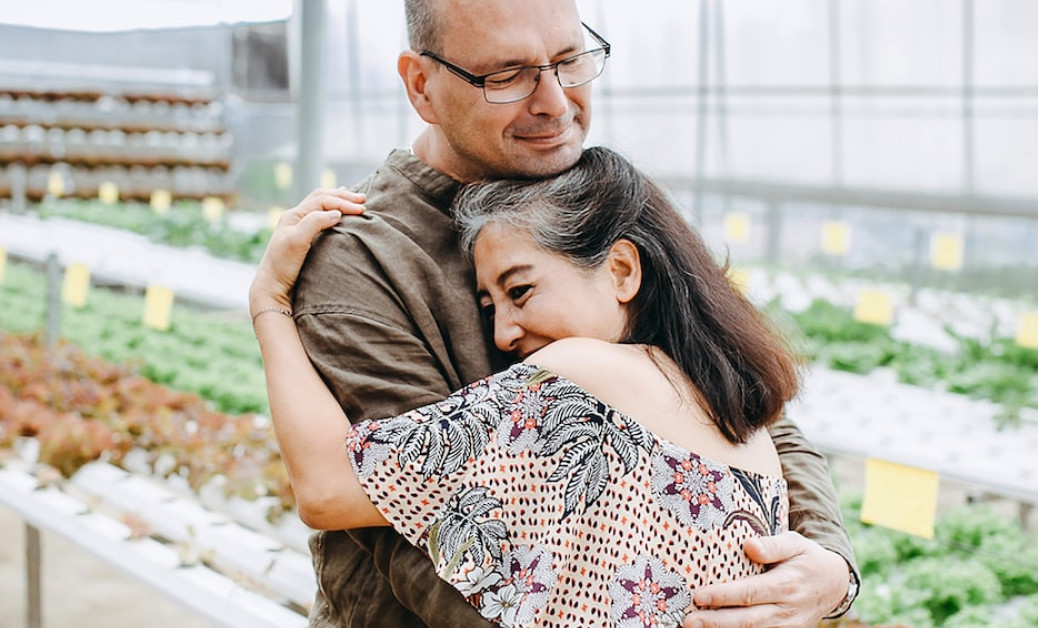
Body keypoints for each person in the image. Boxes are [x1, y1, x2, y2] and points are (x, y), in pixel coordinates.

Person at [282, 0, 859, 626]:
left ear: (622, 269)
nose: (556, 103)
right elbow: (416, 533)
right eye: (507, 75)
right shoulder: (362, 255)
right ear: (422, 85)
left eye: (569, 61)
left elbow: (734, 388)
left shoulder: (582, 187)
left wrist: (827, 565)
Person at [250, 146, 803, 626]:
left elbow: (328, 489)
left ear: (621, 271)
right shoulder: (748, 429)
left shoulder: (582, 378)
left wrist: (270, 303)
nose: (503, 332)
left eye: (520, 290)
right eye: (489, 305)